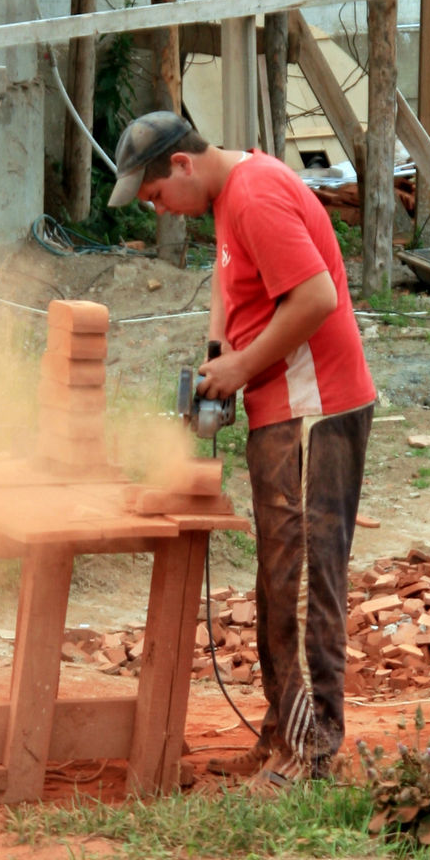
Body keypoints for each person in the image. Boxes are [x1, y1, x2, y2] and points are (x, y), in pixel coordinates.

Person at [108, 111, 376, 794]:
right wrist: (217, 358)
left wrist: (243, 365)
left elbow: (315, 297)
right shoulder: (231, 196)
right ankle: (284, 737)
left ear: (181, 165)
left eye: (156, 196)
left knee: (308, 583)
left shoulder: (254, 195)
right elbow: (235, 293)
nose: (158, 209)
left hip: (315, 410)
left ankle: (312, 757)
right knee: (278, 580)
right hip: (284, 407)